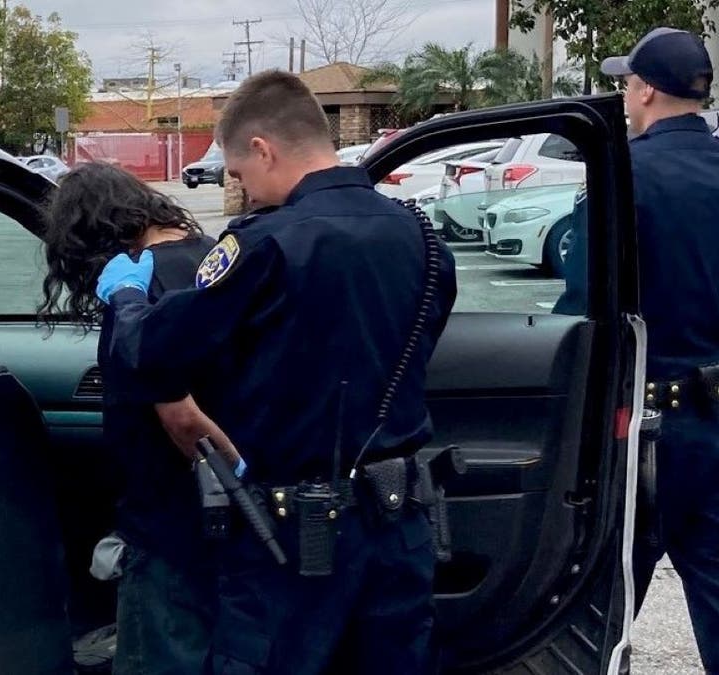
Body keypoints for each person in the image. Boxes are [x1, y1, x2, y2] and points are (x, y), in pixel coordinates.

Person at [94, 70, 457, 675]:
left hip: (294, 537)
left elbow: (155, 354)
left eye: (238, 174)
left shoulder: (264, 244)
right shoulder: (422, 236)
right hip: (400, 528)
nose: (243, 190)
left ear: (263, 148)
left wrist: (129, 300)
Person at [595, 27, 719, 673]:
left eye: (628, 82)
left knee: (606, 599)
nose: (626, 95)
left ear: (648, 89)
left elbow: (588, 308)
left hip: (639, 429)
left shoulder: (623, 178)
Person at [38, 162, 243, 675]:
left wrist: (235, 482)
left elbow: (184, 423)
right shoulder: (218, 260)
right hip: (239, 534)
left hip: (172, 528)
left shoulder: (138, 287)